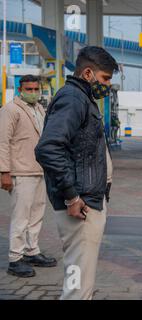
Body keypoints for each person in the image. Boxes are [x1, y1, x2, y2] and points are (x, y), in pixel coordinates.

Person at [35, 46, 117, 300]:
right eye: (105, 79)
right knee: (77, 284)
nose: (107, 85)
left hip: (87, 199)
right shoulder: (73, 99)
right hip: (80, 205)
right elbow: (48, 148)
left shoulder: (81, 97)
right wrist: (71, 196)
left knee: (79, 278)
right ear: (89, 73)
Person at [0, 75, 57, 278]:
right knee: (21, 217)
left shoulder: (39, 109)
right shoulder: (10, 110)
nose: (33, 92)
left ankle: (32, 251)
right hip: (20, 171)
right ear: (20, 89)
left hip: (39, 170)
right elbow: (3, 142)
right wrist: (4, 172)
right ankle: (15, 259)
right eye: (29, 89)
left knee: (36, 215)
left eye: (35, 89)